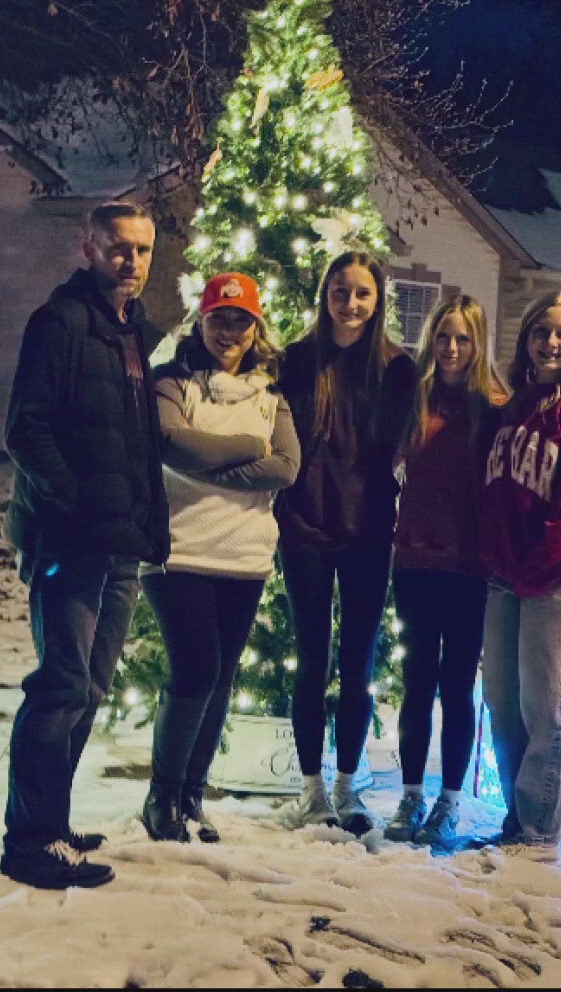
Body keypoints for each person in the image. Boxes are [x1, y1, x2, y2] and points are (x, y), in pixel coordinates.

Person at [0, 202, 168, 890]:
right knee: (61, 687)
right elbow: (25, 429)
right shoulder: (61, 324)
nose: (132, 262)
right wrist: (72, 498)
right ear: (89, 249)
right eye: (119, 249)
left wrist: (147, 520)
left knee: (91, 688)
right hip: (72, 541)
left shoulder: (132, 337)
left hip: (122, 546)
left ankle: (54, 823)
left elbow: (136, 445)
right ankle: (29, 842)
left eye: (144, 250)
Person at [138, 272, 298, 844]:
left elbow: (287, 468)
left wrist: (209, 465)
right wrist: (249, 450)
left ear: (256, 328)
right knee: (196, 670)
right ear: (200, 321)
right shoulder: (170, 383)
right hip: (179, 551)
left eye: (240, 320)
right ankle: (161, 797)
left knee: (222, 679)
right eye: (218, 318)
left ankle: (191, 799)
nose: (228, 330)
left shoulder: (271, 397)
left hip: (245, 555)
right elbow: (171, 443)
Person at [272, 251, 418, 834]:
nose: (350, 304)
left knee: (358, 662)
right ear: (324, 294)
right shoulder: (298, 360)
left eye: (361, 293)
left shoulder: (396, 369)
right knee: (312, 657)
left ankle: (346, 787)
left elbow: (403, 449)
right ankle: (311, 789)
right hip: (305, 527)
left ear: (378, 299)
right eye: (340, 291)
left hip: (368, 531)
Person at [473, 291, 561, 863]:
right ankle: (516, 819)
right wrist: (500, 558)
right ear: (525, 339)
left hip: (557, 582)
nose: (550, 343)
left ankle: (538, 834)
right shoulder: (515, 409)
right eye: (540, 332)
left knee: (548, 708)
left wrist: (536, 562)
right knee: (504, 705)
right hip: (504, 580)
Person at [381, 297, 509, 848]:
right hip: (414, 563)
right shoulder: (416, 399)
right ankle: (412, 795)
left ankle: (449, 802)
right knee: (415, 686)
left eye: (462, 339)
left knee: (457, 689)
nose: (452, 349)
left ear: (477, 343)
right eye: (443, 338)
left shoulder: (495, 407)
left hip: (469, 569)